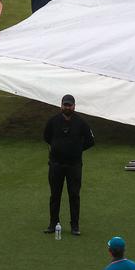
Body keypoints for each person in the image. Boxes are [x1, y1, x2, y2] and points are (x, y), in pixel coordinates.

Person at [42, 95, 94, 236]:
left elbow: (90, 141)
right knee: (55, 195)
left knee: (74, 195)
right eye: (65, 105)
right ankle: (53, 223)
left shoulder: (81, 123)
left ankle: (75, 226)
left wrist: (77, 149)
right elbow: (46, 137)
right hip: (56, 165)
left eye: (69, 105)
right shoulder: (53, 121)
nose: (67, 107)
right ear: (61, 106)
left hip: (74, 165)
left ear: (74, 106)